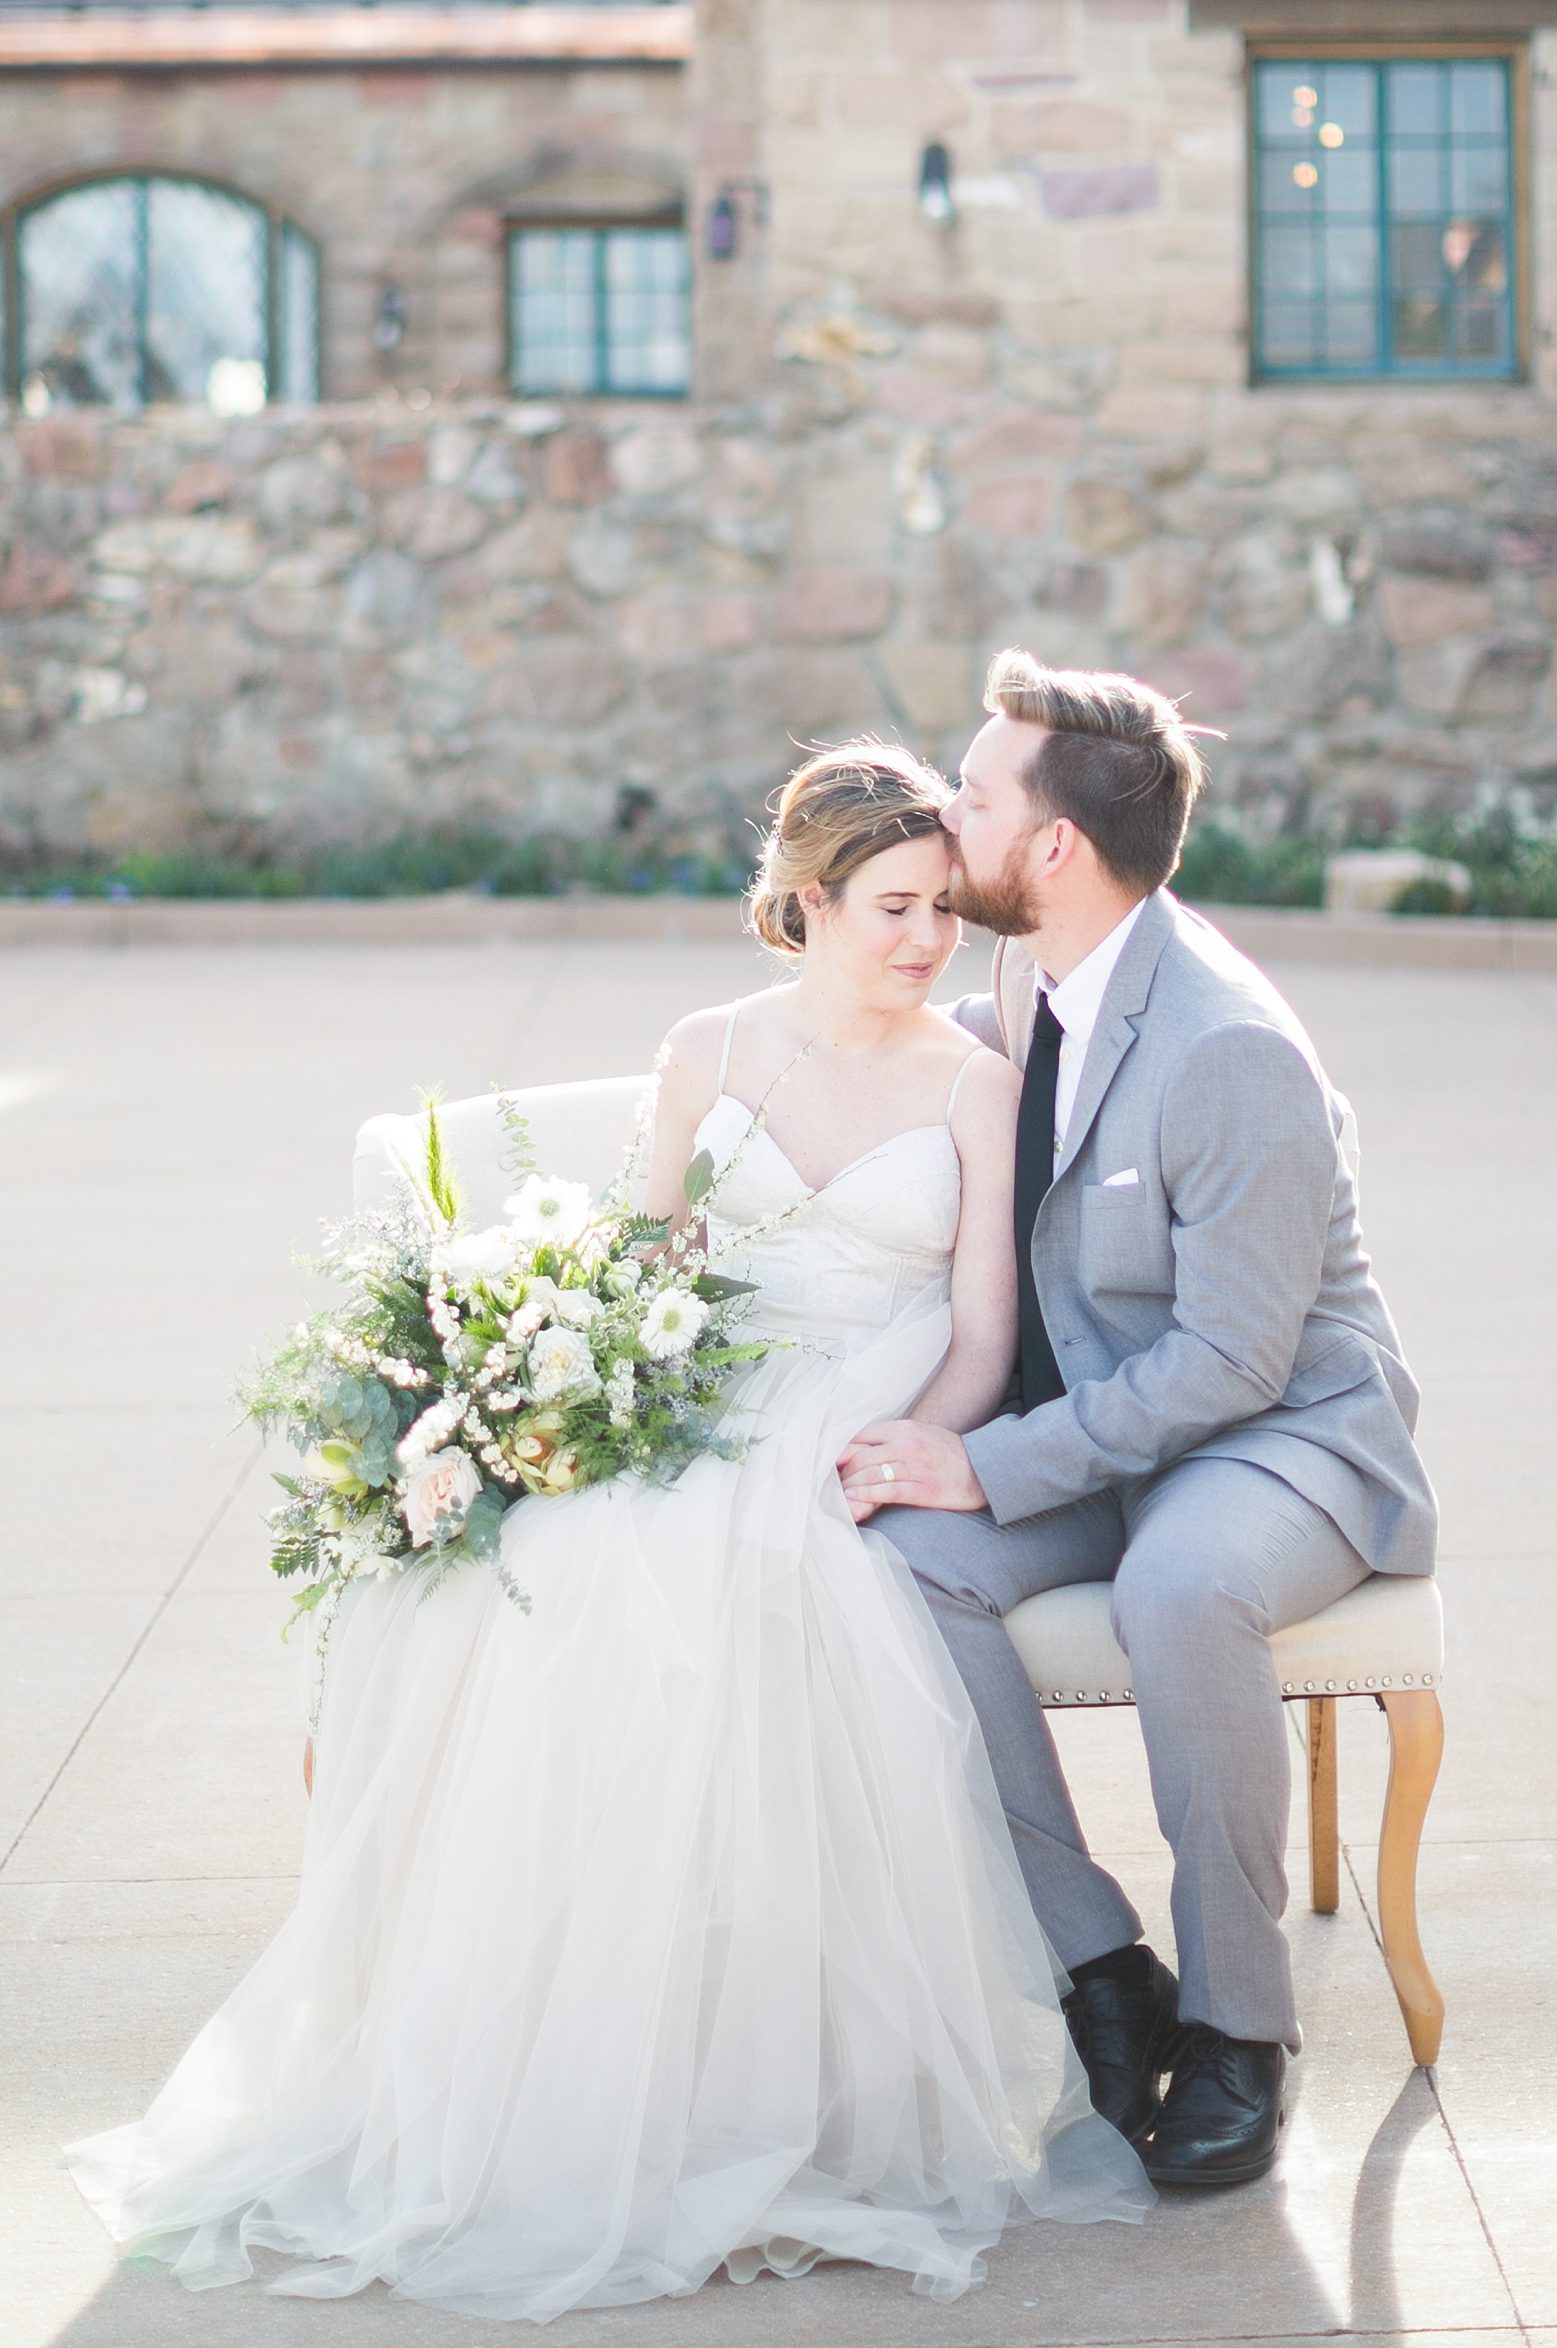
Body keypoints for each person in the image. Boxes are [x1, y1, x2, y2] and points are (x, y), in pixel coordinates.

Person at [67, 744, 1152, 2317]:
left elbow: (984, 1329)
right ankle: (556, 2076)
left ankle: (776, 2080)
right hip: (708, 1396)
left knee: (782, 1592)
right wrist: (582, 1403)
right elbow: (649, 1276)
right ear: (807, 901)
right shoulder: (708, 1051)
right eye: (893, 908)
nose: (927, 942)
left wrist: (926, 1438)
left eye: (942, 910)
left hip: (872, 1401)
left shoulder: (977, 1080)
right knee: (543, 1581)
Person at [842, 652, 1437, 2190]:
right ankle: (1103, 1967)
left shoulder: (1227, 1045)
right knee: (906, 1557)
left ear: (1052, 846)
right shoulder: (1027, 971)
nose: (940, 811)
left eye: (970, 795)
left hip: (1281, 1436)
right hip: (1114, 1419)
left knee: (1183, 1585)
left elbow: (1234, 1362)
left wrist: (990, 1458)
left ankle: (1244, 2030)